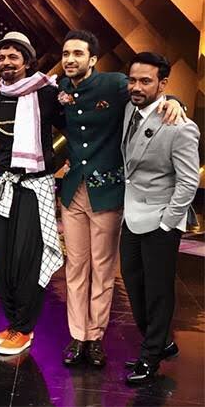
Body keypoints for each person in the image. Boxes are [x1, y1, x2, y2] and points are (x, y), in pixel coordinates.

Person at [58, 30, 186, 367]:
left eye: (78, 54)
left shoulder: (115, 83)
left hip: (108, 192)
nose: (70, 59)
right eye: (66, 53)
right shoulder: (60, 87)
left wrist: (176, 101)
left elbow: (148, 95)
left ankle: (95, 338)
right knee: (75, 266)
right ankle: (78, 335)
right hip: (73, 191)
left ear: (92, 59)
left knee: (102, 269)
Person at [120, 52, 199, 384]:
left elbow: (189, 181)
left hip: (160, 220)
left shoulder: (180, 127)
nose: (136, 87)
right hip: (132, 214)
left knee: (157, 291)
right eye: (132, 80)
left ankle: (151, 356)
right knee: (133, 284)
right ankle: (162, 343)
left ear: (163, 84)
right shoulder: (130, 109)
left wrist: (168, 222)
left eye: (145, 81)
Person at [0, 32, 65, 354]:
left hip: (36, 187)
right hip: (5, 185)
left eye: (13, 57)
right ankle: (13, 324)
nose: (6, 63)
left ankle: (24, 328)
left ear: (27, 61)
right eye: (2, 58)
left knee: (28, 259)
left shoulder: (47, 94)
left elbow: (76, 124)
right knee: (3, 258)